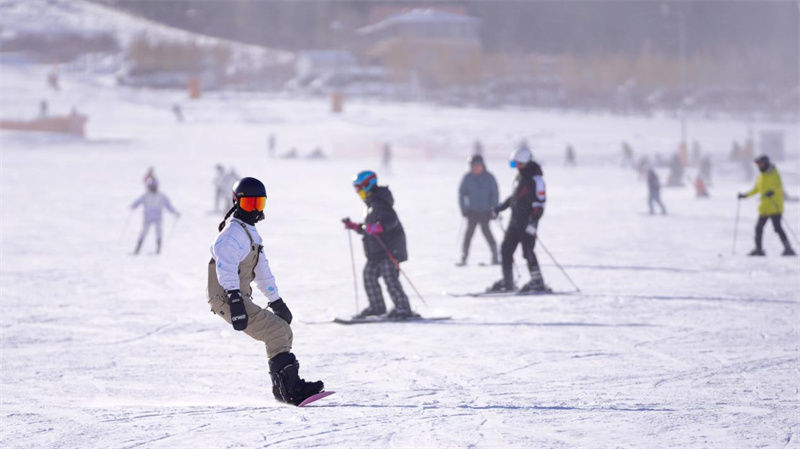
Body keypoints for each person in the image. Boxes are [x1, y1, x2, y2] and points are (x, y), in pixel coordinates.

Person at [207, 177, 325, 405]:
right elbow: (225, 266)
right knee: (276, 333)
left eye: (259, 204)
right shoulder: (232, 234)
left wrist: (276, 301)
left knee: (284, 332)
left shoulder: (249, 233)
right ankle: (290, 390)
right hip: (226, 297)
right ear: (236, 202)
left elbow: (263, 272)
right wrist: (234, 298)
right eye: (249, 204)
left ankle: (285, 388)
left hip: (237, 297)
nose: (254, 210)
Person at [342, 171, 417, 319]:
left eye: (359, 188)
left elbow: (391, 220)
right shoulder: (371, 204)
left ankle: (403, 308)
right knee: (369, 275)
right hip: (377, 252)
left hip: (389, 250)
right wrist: (355, 226)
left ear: (367, 185)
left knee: (390, 278)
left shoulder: (381, 202)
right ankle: (377, 307)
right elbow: (369, 228)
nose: (357, 192)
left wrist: (380, 227)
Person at [488, 145, 548, 293]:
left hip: (527, 223)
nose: (516, 167)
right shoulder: (520, 177)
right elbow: (514, 198)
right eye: (513, 164)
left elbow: (540, 204)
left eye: (517, 164)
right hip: (514, 222)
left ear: (525, 162)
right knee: (506, 250)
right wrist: (499, 208)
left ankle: (537, 281)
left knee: (527, 251)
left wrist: (533, 223)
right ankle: (508, 282)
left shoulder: (536, 180)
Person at [738, 155, 795, 256]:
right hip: (764, 208)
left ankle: (788, 248)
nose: (759, 166)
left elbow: (778, 186)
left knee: (777, 228)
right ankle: (759, 249)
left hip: (775, 207)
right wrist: (745, 195)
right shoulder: (761, 176)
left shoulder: (774, 173)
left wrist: (772, 192)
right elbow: (756, 189)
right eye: (758, 164)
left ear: (766, 163)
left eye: (761, 164)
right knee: (758, 228)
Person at [457, 154, 499, 266]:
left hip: (485, 212)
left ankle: (495, 256)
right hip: (472, 212)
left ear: (482, 165)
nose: (475, 168)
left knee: (488, 234)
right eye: (473, 166)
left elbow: (495, 195)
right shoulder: (467, 178)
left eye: (478, 165)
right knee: (468, 235)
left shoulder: (490, 178)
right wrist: (464, 209)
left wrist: (494, 210)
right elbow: (461, 194)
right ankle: (464, 257)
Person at [130, 178, 179, 255]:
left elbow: (168, 206)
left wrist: (174, 212)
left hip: (158, 218)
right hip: (147, 218)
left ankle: (158, 250)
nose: (153, 188)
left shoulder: (161, 196)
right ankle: (137, 250)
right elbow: (138, 201)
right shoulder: (146, 196)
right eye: (152, 186)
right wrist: (134, 206)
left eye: (154, 186)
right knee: (143, 233)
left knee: (158, 233)